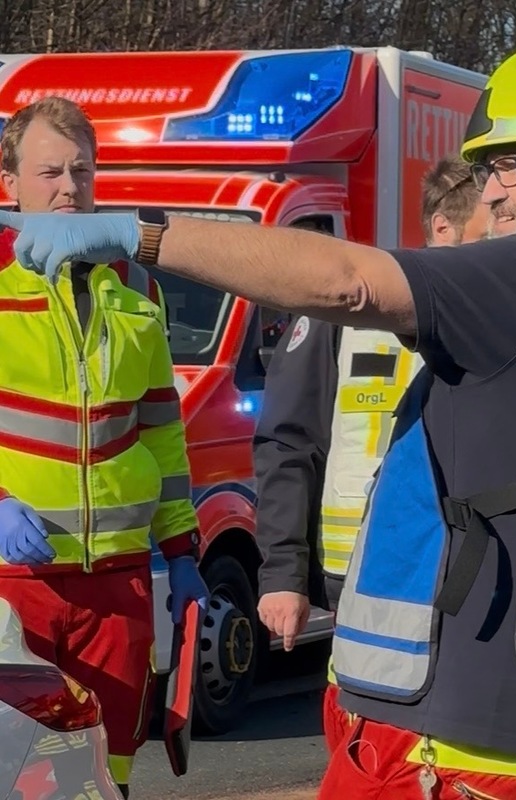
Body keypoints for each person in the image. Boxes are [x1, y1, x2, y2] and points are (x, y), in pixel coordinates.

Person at [0, 42, 516, 800]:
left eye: (512, 165)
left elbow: (347, 282)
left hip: (471, 746)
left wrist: (140, 235)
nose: (492, 197)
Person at [0, 97, 209, 797]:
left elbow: (161, 432)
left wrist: (182, 555)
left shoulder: (137, 285)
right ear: (11, 185)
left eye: (81, 172)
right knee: (18, 775)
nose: (67, 187)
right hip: (12, 589)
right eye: (49, 171)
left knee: (106, 772)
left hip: (118, 587)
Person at [253, 155, 489, 752]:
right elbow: (289, 438)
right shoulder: (349, 309)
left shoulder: (500, 315)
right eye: (488, 237)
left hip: (464, 569)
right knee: (368, 738)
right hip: (356, 574)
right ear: (442, 228)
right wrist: (283, 572)